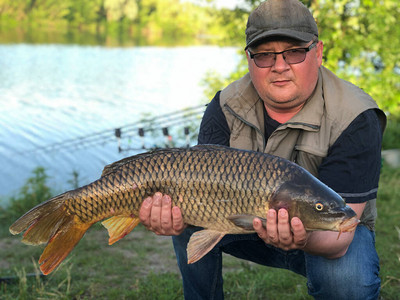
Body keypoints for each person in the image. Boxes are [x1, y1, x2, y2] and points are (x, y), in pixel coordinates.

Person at [139, 0, 386, 299]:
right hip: (242, 223)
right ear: (249, 59)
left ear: (318, 52)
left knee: (348, 278)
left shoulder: (356, 116)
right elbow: (197, 186)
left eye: (294, 52)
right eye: (265, 55)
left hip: (327, 235)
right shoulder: (224, 106)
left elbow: (339, 235)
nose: (280, 66)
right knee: (186, 213)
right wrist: (170, 217)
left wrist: (300, 235)